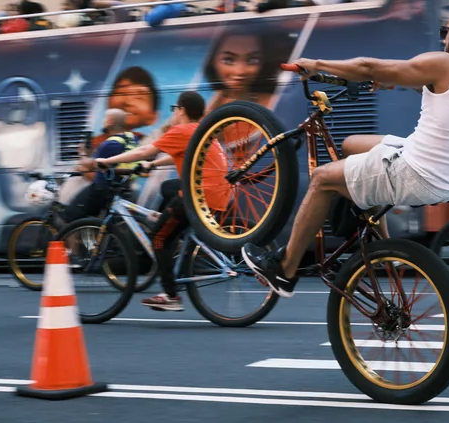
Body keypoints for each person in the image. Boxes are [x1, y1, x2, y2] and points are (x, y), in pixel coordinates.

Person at [242, 8, 449, 296]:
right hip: (447, 181)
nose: (444, 39)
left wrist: (317, 65)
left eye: (446, 33)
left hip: (415, 171)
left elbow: (368, 66)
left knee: (321, 179)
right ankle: (372, 233)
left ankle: (285, 269)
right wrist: (403, 82)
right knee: (351, 145)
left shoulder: (446, 63)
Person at [81, 91, 230, 312]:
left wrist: (107, 161)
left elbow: (144, 150)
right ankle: (171, 227)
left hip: (199, 196)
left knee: (158, 238)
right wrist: (153, 165)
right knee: (168, 187)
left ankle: (170, 295)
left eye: (175, 110)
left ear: (181, 111)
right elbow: (179, 154)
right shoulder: (203, 132)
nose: (175, 114)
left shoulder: (181, 130)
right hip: (217, 195)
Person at [66, 109, 141, 220]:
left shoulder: (109, 144)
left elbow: (89, 165)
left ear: (110, 121)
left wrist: (82, 153)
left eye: (105, 118)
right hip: (123, 187)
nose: (103, 121)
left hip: (102, 189)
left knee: (72, 217)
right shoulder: (132, 139)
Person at [202, 29, 293, 113]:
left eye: (252, 60)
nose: (240, 71)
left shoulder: (275, 103)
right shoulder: (219, 100)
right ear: (213, 62)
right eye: (228, 60)